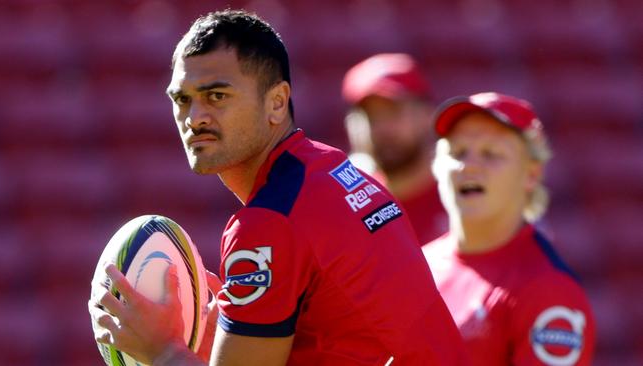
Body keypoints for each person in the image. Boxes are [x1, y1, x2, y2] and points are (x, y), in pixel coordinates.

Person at [89, 9, 467, 366]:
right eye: (182, 99)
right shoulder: (332, 168)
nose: (195, 117)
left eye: (217, 96)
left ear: (277, 102)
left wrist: (161, 351)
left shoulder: (268, 222)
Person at [422, 92, 595, 365]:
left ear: (532, 174)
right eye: (457, 152)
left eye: (491, 153)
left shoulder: (549, 291)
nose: (469, 166)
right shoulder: (418, 264)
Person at [341, 53, 447, 244]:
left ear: (426, 115)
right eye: (370, 116)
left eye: (393, 112)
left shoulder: (461, 195)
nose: (382, 128)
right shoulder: (343, 205)